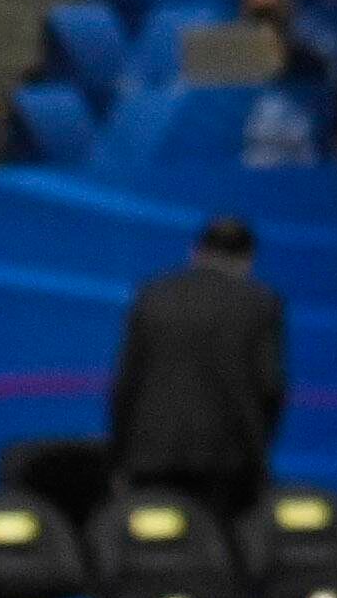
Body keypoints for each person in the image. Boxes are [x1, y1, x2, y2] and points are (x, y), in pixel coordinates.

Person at [109, 214, 285, 522]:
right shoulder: (260, 302)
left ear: (195, 253)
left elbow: (126, 384)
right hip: (229, 463)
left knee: (158, 558)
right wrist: (259, 455)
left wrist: (120, 459)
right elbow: (269, 386)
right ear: (248, 259)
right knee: (218, 560)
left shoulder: (152, 296)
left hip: (152, 458)